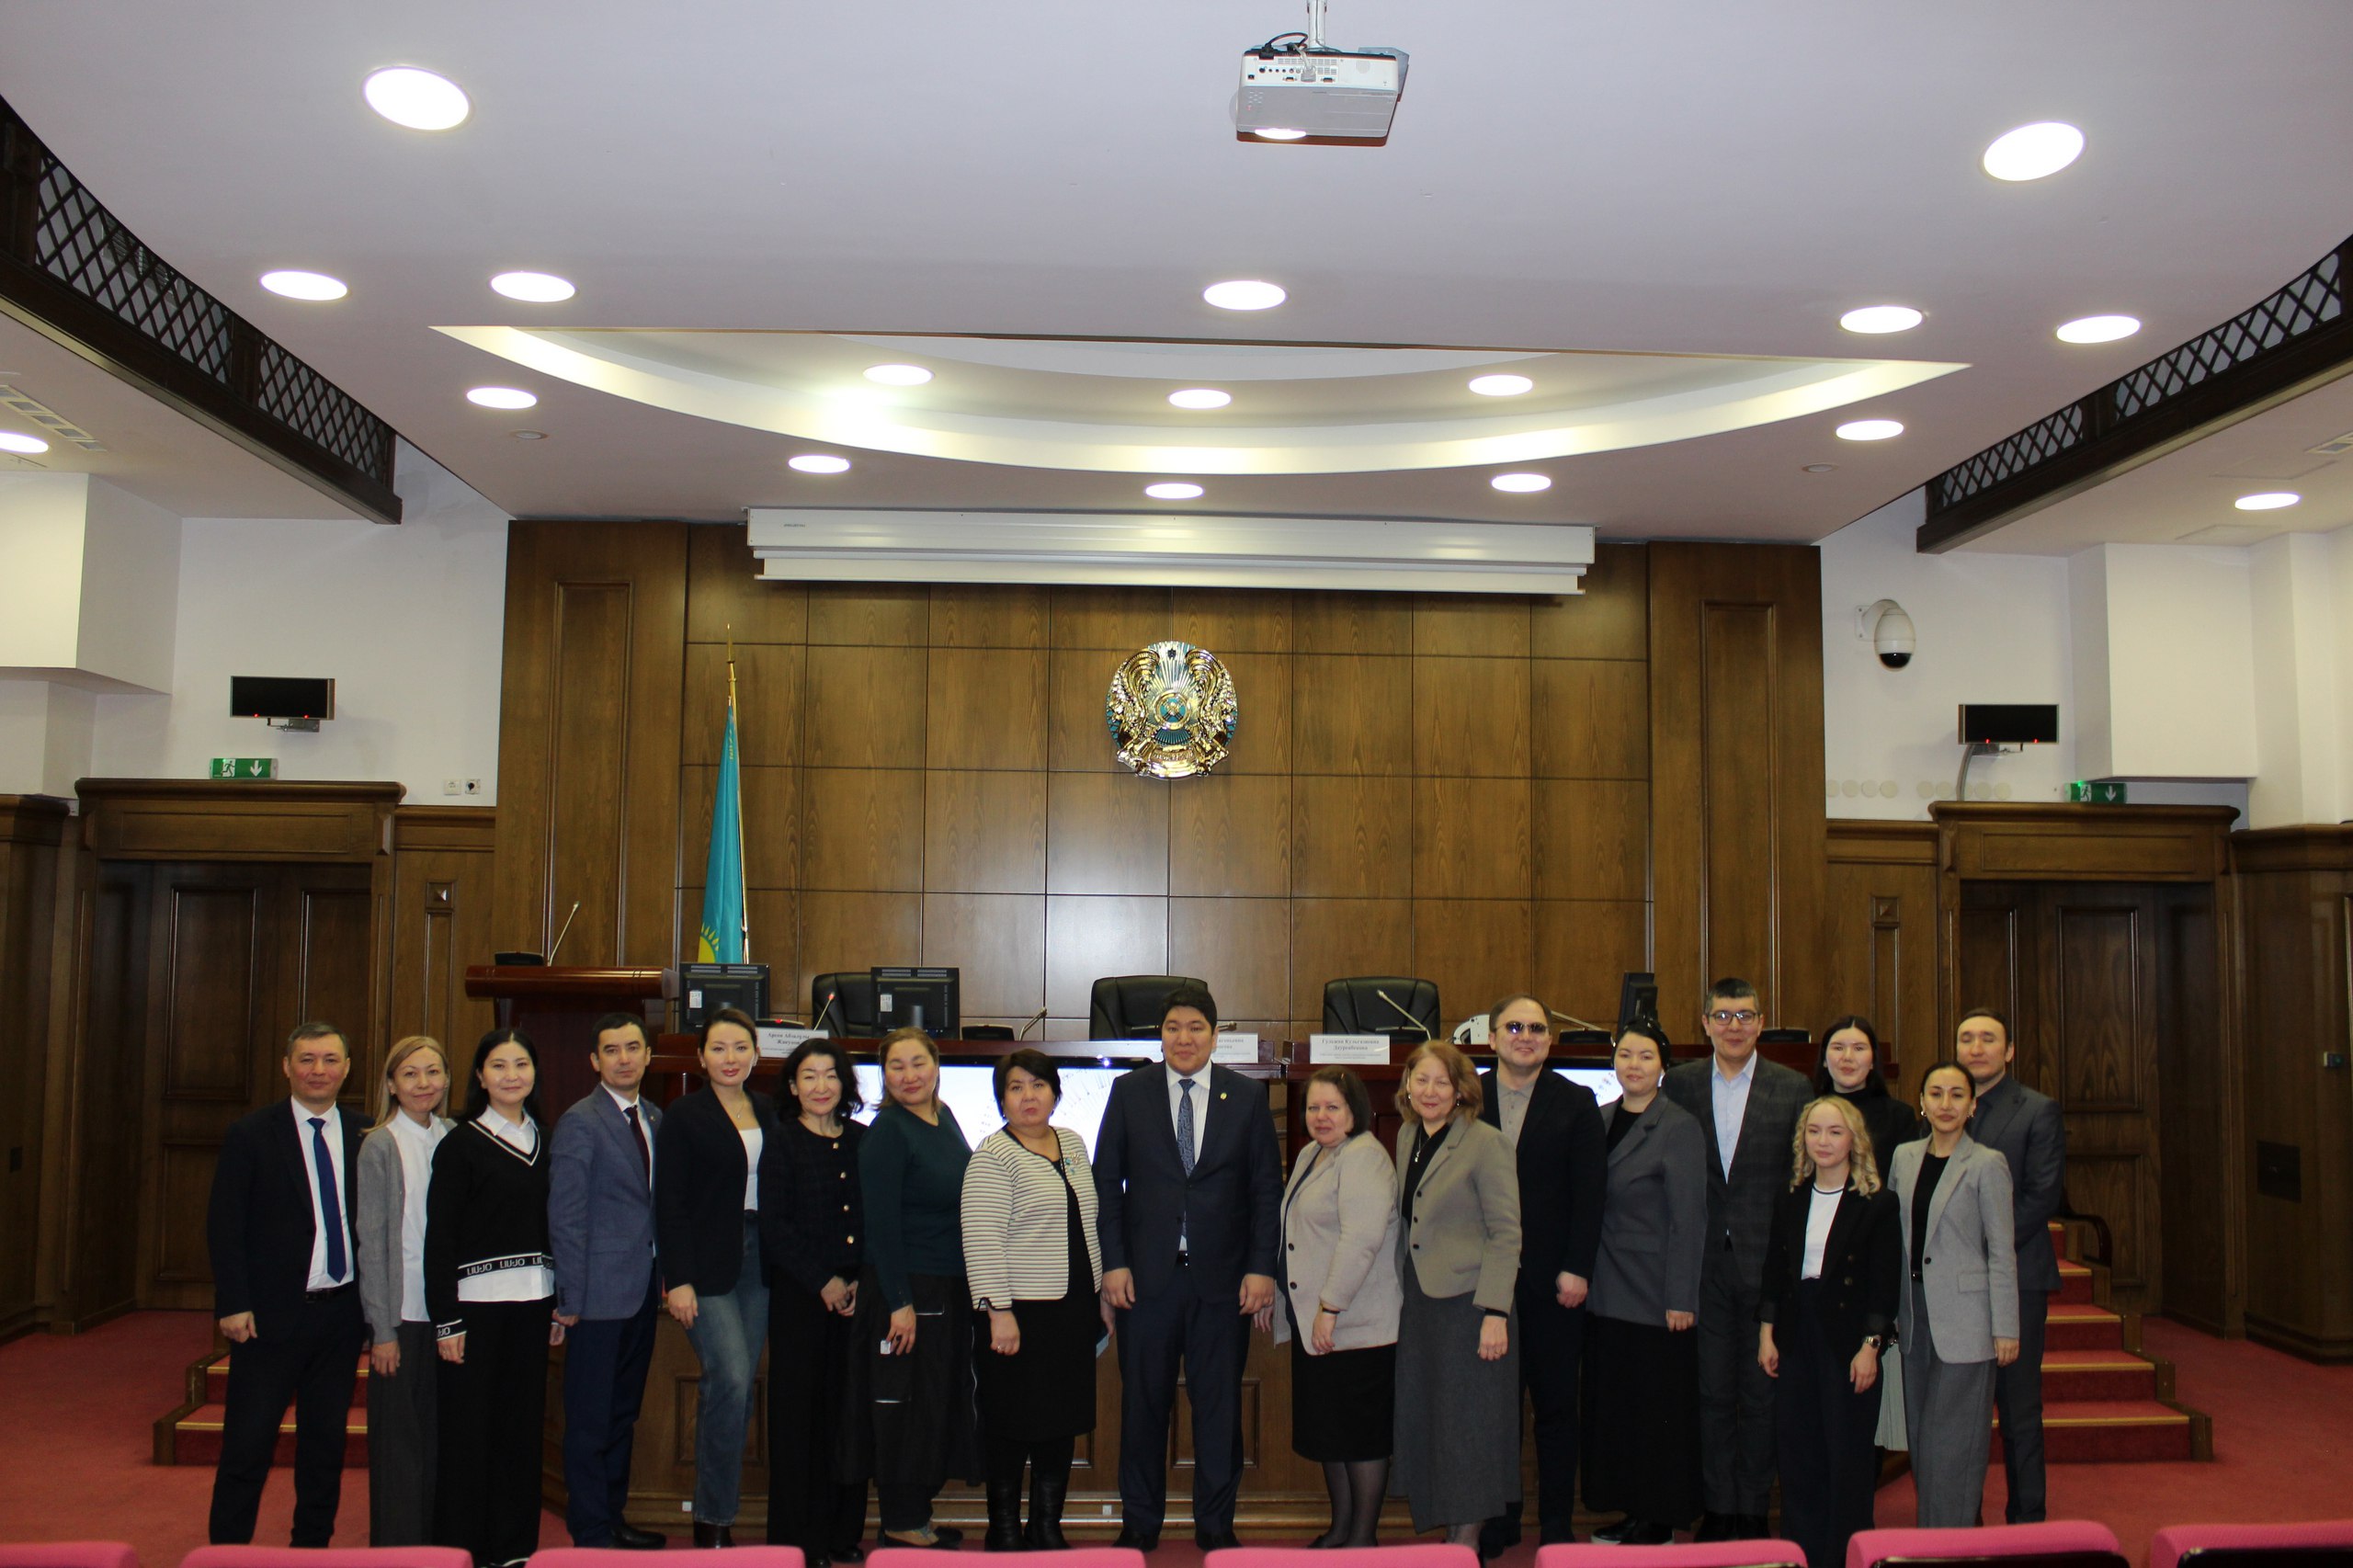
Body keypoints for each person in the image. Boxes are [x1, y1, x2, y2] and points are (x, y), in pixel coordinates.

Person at [1096, 983, 1283, 1553]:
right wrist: (1114, 1264)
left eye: (1196, 1028)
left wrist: (1262, 1268)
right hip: (1147, 1282)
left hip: (1222, 1284)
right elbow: (1107, 1183)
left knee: (1219, 1409)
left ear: (1215, 1036)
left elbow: (1264, 1189)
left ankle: (1216, 1524)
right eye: (1173, 1028)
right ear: (1160, 1036)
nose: (1184, 1038)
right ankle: (1140, 1522)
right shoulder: (1130, 1092)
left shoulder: (1245, 1096)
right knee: (1143, 1407)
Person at [1660, 977, 1813, 1540]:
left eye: (1745, 1016)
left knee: (1761, 1392)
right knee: (1712, 1393)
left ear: (1761, 1022)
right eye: (1723, 1016)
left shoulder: (1792, 1087)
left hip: (1767, 1264)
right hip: (1702, 1263)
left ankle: (1751, 1509)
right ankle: (1719, 1508)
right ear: (1704, 1023)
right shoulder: (1679, 1085)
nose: (1734, 1026)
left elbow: (1800, 1179)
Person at [206, 1021, 368, 1547]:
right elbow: (225, 1225)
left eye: (330, 1059)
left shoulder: (368, 1134)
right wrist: (233, 1302)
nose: (318, 1070)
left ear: (347, 1068)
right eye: (306, 1059)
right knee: (247, 1446)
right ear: (286, 1067)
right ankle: (227, 1554)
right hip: (268, 1319)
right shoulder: (251, 1134)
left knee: (324, 1446)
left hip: (341, 1317)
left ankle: (311, 1549)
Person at [427, 1028, 563, 1568]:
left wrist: (558, 1303)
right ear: (480, 1076)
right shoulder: (460, 1144)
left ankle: (513, 1548)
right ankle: (464, 1549)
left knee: (520, 1430)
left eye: (521, 1064)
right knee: (468, 1433)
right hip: (474, 1312)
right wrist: (447, 1320)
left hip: (535, 1305)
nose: (512, 1075)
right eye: (499, 1066)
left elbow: (557, 1229)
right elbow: (441, 1237)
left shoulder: (548, 1140)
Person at [1475, 994, 1605, 1553]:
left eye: (1535, 1028)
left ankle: (1555, 1522)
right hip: (1484, 1283)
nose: (1524, 1036)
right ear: (1491, 1037)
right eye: (1513, 1027)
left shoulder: (1576, 1102)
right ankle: (1500, 1520)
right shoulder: (1468, 1096)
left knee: (1555, 1408)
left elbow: (1590, 1195)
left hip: (1554, 1283)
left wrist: (1578, 1268)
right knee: (1496, 1411)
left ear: (1550, 1040)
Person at [962, 1049, 1105, 1552]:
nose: (1029, 1096)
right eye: (1016, 1087)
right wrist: (998, 1311)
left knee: (1061, 1421)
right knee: (1010, 1422)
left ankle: (1046, 1525)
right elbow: (980, 1238)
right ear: (1001, 1099)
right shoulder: (992, 1156)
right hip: (1018, 1313)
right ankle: (1003, 1529)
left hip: (1072, 1311)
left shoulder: (1073, 1143)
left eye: (1038, 1085)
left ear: (1055, 1093)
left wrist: (1101, 1295)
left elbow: (1089, 1224)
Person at [847, 1026, 982, 1550]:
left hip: (946, 1287)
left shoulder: (942, 1117)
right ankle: (901, 1520)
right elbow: (879, 1227)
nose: (908, 1076)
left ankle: (916, 1515)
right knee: (904, 1405)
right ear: (883, 1075)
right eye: (896, 1066)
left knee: (936, 1402)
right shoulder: (888, 1131)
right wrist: (899, 1304)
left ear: (936, 1066)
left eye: (917, 1063)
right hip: (906, 1292)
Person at [654, 1006, 780, 1549]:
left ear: (756, 1055)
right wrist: (677, 1278)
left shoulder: (770, 1110)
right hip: (705, 1266)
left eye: (741, 1047)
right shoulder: (685, 1115)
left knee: (741, 1386)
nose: (731, 1058)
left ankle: (718, 1511)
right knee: (728, 1377)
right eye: (719, 1048)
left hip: (760, 1260)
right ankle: (711, 1519)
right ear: (702, 1057)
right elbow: (669, 1202)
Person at [1391, 1040, 1522, 1550]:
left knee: (1470, 1431)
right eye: (1420, 1080)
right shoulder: (1407, 1135)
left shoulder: (1487, 1143)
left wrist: (1495, 1312)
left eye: (1441, 1082)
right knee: (1434, 1425)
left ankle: (1463, 1549)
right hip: (1422, 1305)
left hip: (1471, 1308)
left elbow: (1506, 1234)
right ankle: (1449, 1541)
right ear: (1407, 1086)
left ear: (1461, 1089)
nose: (1430, 1091)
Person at [1757, 1097, 1900, 1568]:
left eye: (1835, 1132)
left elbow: (1884, 1285)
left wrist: (1871, 1346)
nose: (1823, 1141)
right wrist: (1766, 1332)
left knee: (1847, 1458)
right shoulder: (1790, 1196)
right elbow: (1775, 1269)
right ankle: (1803, 1556)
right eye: (1814, 1131)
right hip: (1797, 1332)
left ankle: (1846, 1557)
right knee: (1798, 1455)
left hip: (1848, 1339)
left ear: (1854, 1140)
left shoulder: (1878, 1203)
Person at [1582, 1019, 1706, 1546]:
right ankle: (1632, 1508)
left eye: (1646, 1056)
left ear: (1663, 1067)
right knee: (1620, 1408)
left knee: (1658, 1410)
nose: (1633, 1065)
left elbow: (1689, 1219)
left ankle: (1658, 1517)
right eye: (1626, 1055)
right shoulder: (1600, 1118)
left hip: (1656, 1296)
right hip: (1604, 1290)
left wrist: (1681, 1297)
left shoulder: (1678, 1126)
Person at [549, 1013, 666, 1551]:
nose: (624, 1059)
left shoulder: (655, 1117)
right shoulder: (580, 1121)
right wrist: (568, 1298)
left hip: (641, 1291)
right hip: (594, 1297)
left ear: (648, 1056)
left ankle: (613, 1518)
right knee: (590, 1420)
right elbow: (566, 1215)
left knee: (623, 1414)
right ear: (595, 1060)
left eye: (633, 1048)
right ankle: (591, 1530)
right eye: (612, 1050)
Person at [1888, 1063, 2019, 1528]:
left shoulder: (1987, 1163)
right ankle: (1932, 1539)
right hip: (1913, 1315)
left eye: (1957, 1095)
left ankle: (1951, 1544)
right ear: (1922, 1102)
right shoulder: (1904, 1157)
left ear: (1972, 1106)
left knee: (1954, 1445)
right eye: (1936, 1094)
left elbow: (2002, 1250)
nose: (1946, 1104)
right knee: (1923, 1440)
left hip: (1968, 1319)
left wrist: (2006, 1326)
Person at [762, 1036, 873, 1568]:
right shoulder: (782, 1141)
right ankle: (799, 1541)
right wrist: (824, 1281)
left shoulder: (863, 1139)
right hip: (802, 1300)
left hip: (857, 1298)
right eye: (809, 1076)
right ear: (792, 1086)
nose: (821, 1086)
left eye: (830, 1075)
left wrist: (859, 1281)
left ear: (844, 1084)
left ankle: (841, 1532)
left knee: (847, 1415)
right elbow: (775, 1228)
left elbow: (877, 1217)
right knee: (800, 1420)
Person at [1279, 1066, 1401, 1550]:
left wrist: (1330, 1307)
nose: (1321, 1116)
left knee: (1361, 1437)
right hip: (1320, 1326)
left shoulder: (1365, 1157)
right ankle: (1342, 1527)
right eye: (1313, 1107)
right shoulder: (1313, 1153)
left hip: (1356, 1325)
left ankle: (1362, 1539)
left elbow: (1360, 1241)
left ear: (1356, 1112)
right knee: (1333, 1434)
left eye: (1333, 1107)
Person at [1954, 1006, 2065, 1525]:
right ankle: (1962, 1522)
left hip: (2017, 1277)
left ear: (2010, 1050)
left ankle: (2027, 1522)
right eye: (1967, 1039)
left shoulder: (2036, 1110)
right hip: (1952, 1285)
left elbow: (2042, 1196)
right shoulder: (1942, 1105)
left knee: (2019, 1410)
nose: (1976, 1048)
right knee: (1962, 1412)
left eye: (1988, 1039)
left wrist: (1982, 1247)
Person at [356, 1034, 452, 1547]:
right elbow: (372, 1244)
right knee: (400, 1442)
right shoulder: (380, 1144)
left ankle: (437, 1545)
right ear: (391, 1084)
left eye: (432, 1072)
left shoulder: (453, 1135)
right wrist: (383, 1330)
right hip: (403, 1314)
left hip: (449, 1313)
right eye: (410, 1074)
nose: (423, 1083)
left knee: (438, 1436)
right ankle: (398, 1549)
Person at [1814, 1016, 1921, 1173]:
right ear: (1824, 1059)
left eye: (1858, 1048)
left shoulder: (1899, 1117)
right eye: (1838, 1048)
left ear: (1872, 1061)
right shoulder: (1807, 1113)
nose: (1847, 1057)